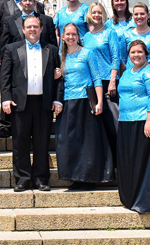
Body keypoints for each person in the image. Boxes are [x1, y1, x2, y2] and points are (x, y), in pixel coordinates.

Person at [0, 15, 62, 192]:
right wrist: (5, 98)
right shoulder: (11, 49)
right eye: (29, 27)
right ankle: (22, 178)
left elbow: (58, 78)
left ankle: (41, 179)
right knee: (20, 143)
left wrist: (57, 99)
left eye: (36, 27)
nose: (32, 30)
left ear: (41, 29)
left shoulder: (50, 49)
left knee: (42, 143)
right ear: (23, 30)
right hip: (20, 104)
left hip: (43, 103)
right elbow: (4, 76)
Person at [54, 23, 113, 189]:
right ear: (63, 37)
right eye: (68, 34)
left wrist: (100, 102)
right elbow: (57, 81)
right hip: (67, 102)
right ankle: (74, 176)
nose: (71, 37)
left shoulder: (88, 53)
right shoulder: (60, 56)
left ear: (78, 36)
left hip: (85, 101)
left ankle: (89, 177)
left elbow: (96, 79)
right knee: (70, 141)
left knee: (88, 141)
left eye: (74, 34)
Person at [115, 40, 150, 214]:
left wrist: (149, 120)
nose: (136, 55)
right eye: (133, 52)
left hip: (145, 122)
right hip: (126, 122)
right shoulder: (126, 73)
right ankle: (131, 197)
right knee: (132, 161)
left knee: (148, 162)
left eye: (139, 52)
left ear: (146, 54)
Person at [0, 0, 45, 139]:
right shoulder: (2, 4)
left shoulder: (38, 7)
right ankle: (5, 124)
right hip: (10, 54)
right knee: (8, 88)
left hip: (34, 53)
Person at [82, 2, 122, 168]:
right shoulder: (86, 37)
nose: (97, 15)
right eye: (94, 12)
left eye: (99, 12)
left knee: (113, 124)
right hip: (92, 84)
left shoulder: (110, 33)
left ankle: (120, 164)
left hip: (108, 82)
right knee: (98, 128)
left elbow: (115, 58)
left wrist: (113, 80)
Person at [120, 3, 150, 73]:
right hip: (131, 75)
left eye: (142, 14)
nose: (139, 16)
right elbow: (123, 60)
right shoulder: (126, 34)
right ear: (133, 16)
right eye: (136, 14)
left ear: (148, 15)